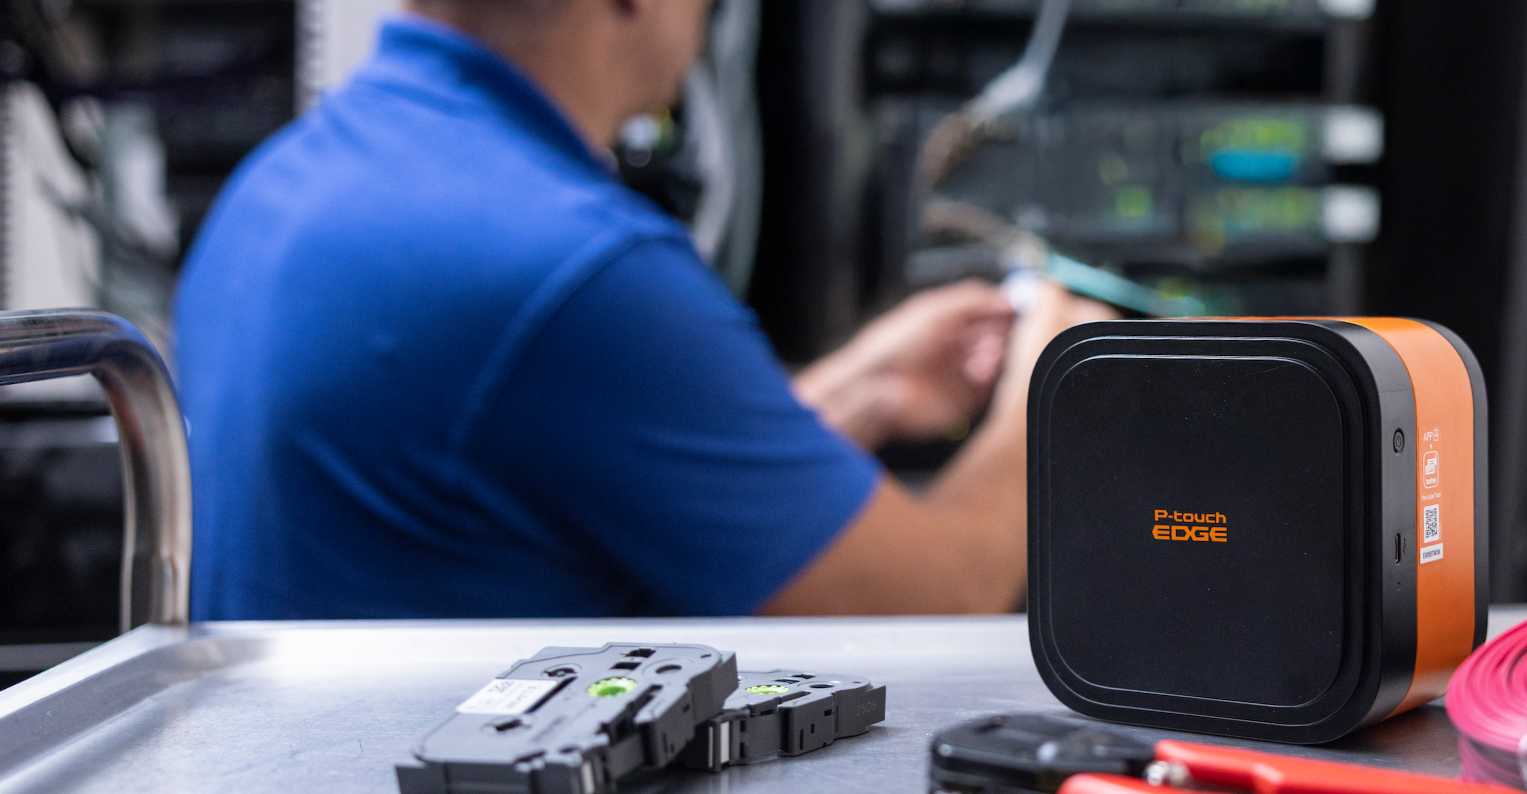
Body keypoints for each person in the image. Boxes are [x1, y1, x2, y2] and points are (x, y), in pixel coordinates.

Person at [170, 0, 1111, 620]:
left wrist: (856, 390)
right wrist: (1051, 393)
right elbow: (933, 596)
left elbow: (566, 460)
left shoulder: (292, 179)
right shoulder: (572, 267)